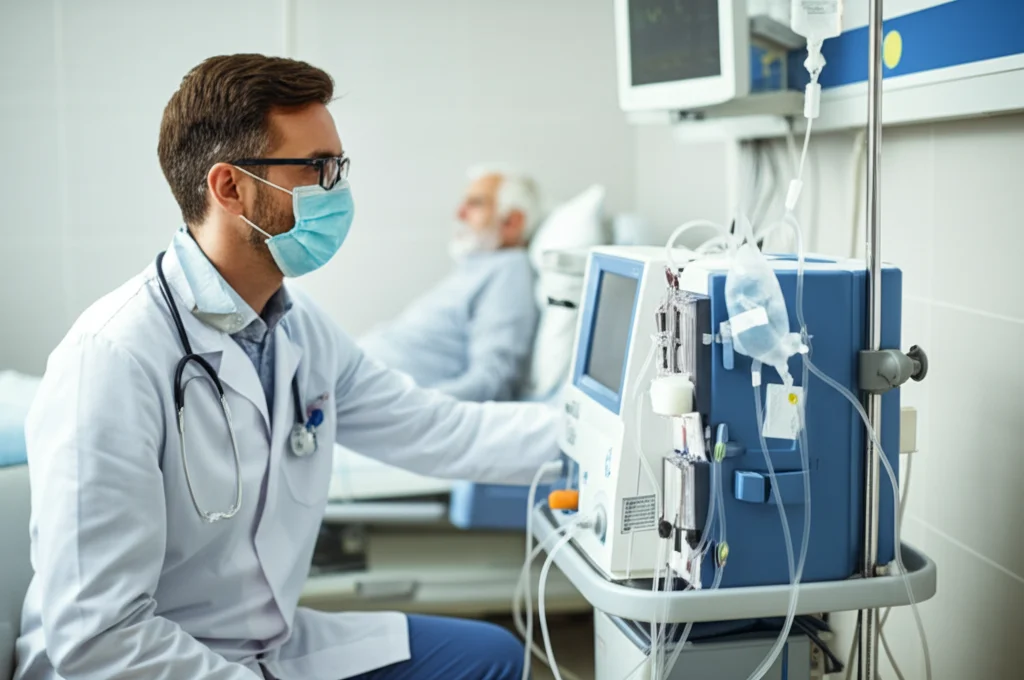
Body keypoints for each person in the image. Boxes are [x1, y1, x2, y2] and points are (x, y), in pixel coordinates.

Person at [15, 54, 558, 680]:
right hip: (146, 662)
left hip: (263, 644)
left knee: (492, 659)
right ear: (230, 188)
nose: (340, 190)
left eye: (340, 166)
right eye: (318, 169)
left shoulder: (296, 328)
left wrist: (603, 445)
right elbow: (99, 637)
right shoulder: (111, 360)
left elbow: (440, 429)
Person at [359, 167, 541, 402]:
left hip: (376, 401)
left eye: (476, 204)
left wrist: (408, 405)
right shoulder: (478, 267)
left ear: (512, 222)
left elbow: (492, 380)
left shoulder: (510, 270)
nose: (460, 213)